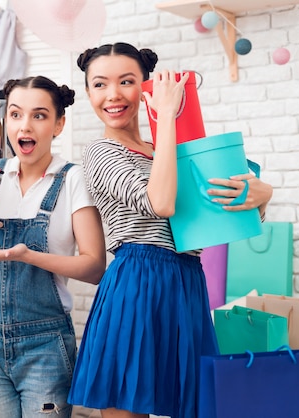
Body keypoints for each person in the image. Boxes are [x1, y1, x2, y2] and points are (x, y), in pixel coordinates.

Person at [67, 42, 273, 418]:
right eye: (99, 84)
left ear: (145, 85)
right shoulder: (100, 151)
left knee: (194, 406)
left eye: (126, 81)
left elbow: (212, 219)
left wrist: (262, 197)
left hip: (188, 281)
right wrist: (166, 121)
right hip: (137, 282)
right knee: (128, 406)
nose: (112, 95)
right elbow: (160, 203)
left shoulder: (163, 149)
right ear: (87, 92)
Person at [0, 75, 106, 418]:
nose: (24, 126)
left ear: (59, 124)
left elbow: (94, 268)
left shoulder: (73, 179)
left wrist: (28, 256)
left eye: (39, 115)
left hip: (45, 346)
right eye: (16, 114)